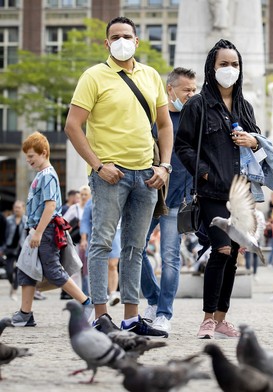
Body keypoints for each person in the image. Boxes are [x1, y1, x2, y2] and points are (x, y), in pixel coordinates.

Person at [64, 16, 172, 337]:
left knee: (135, 248)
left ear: (137, 42)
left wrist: (164, 166)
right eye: (116, 36)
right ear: (107, 43)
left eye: (127, 35)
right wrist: (98, 166)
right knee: (100, 244)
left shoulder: (151, 76)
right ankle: (100, 316)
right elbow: (73, 125)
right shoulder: (93, 76)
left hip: (147, 175)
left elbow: (165, 125)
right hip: (109, 174)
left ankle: (131, 317)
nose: (122, 40)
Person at [175, 39, 273, 339]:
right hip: (212, 192)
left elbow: (261, 152)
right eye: (224, 64)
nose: (229, 69)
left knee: (234, 254)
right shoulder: (198, 104)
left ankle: (222, 318)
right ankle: (207, 318)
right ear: (212, 67)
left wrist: (253, 141)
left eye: (234, 64)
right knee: (220, 248)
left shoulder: (246, 107)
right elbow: (183, 146)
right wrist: (205, 174)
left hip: (242, 194)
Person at [12, 132, 93, 327]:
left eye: (31, 156)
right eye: (27, 156)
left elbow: (50, 206)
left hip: (45, 230)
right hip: (39, 229)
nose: (28, 160)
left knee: (53, 270)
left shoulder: (47, 175)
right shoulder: (42, 175)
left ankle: (86, 303)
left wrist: (38, 232)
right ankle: (25, 313)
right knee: (25, 270)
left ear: (44, 153)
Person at [140, 67, 197, 334]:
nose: (191, 94)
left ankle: (164, 313)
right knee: (134, 249)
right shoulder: (153, 118)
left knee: (170, 258)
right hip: (150, 196)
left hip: (177, 201)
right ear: (170, 90)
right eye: (187, 89)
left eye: (194, 89)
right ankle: (152, 300)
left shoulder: (194, 120)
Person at [79, 198, 122, 305]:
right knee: (98, 265)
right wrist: (84, 239)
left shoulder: (120, 195)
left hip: (115, 234)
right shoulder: (91, 201)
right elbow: (84, 221)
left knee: (113, 265)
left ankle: (112, 293)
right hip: (96, 235)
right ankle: (99, 295)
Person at [62, 184, 91, 297]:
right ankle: (76, 293)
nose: (83, 197)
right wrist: (74, 225)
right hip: (76, 240)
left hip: (89, 240)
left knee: (87, 268)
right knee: (75, 267)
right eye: (82, 194)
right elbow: (64, 222)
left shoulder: (91, 206)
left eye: (86, 194)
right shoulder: (75, 208)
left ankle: (86, 291)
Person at [3, 200, 27, 300]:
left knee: (19, 270)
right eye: (15, 207)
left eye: (19, 207)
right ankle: (13, 284)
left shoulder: (27, 220)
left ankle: (14, 290)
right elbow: (3, 235)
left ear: (23, 209)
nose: (17, 209)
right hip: (9, 248)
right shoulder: (8, 220)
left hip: (22, 248)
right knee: (8, 271)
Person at [245, 206, 266, 279]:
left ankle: (248, 270)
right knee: (256, 256)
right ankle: (254, 273)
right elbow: (263, 226)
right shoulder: (260, 214)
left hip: (248, 237)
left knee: (247, 254)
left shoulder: (246, 213)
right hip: (257, 238)